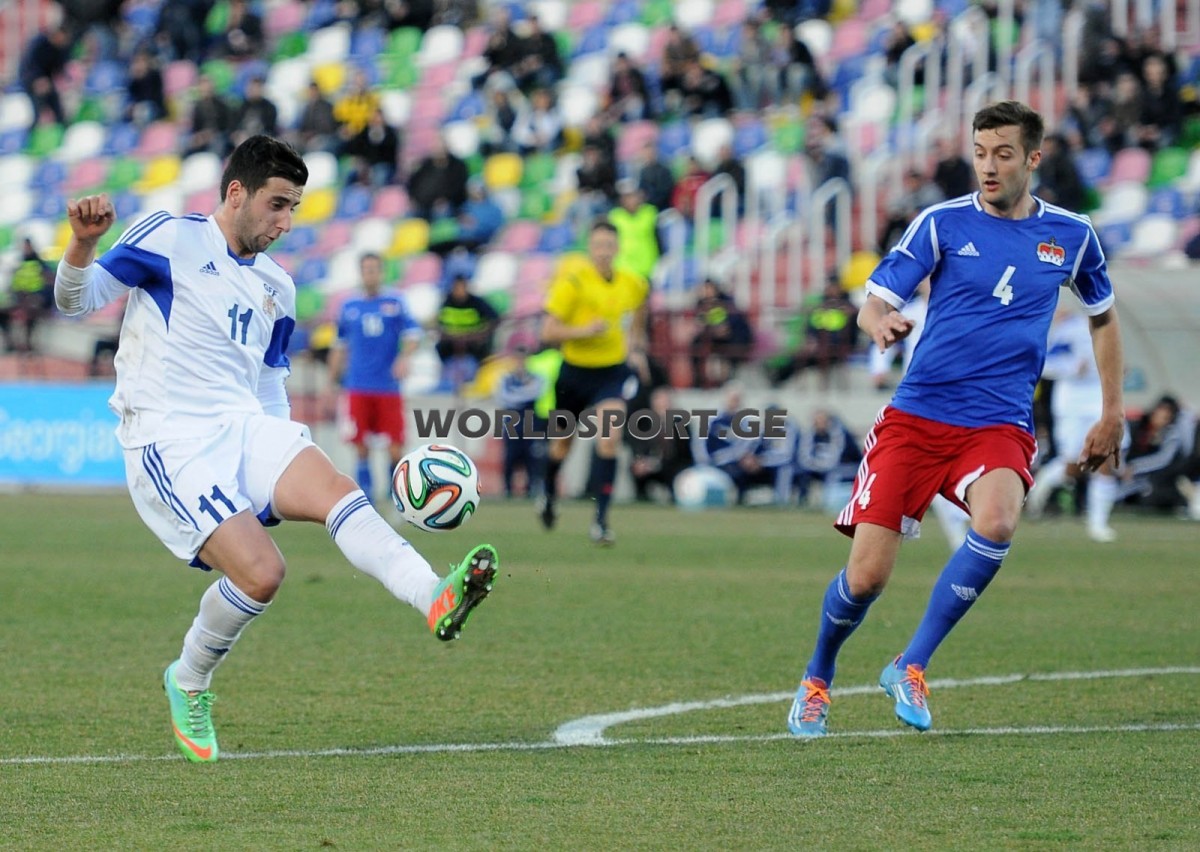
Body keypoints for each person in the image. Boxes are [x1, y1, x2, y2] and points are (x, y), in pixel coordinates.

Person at [54, 136, 498, 764]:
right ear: (236, 193)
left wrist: (279, 458)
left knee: (341, 490)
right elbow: (74, 300)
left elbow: (268, 382)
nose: (286, 222)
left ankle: (434, 596)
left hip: (245, 424)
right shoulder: (169, 239)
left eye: (294, 208)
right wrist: (82, 243)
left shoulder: (277, 288)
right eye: (278, 204)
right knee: (263, 574)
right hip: (169, 437)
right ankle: (188, 679)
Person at [785, 101, 1124, 739]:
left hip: (997, 421)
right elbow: (876, 299)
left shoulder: (1073, 236)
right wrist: (878, 321)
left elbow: (1104, 318)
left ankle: (910, 663)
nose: (988, 167)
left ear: (1032, 158)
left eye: (1002, 154)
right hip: (917, 418)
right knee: (865, 579)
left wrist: (1112, 412)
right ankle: (816, 678)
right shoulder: (940, 224)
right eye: (979, 153)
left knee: (997, 522)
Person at [538, 220, 649, 545]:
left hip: (611, 372)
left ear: (616, 249)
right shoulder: (572, 282)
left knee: (609, 438)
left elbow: (640, 306)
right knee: (562, 445)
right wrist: (582, 331)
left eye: (609, 246)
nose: (603, 252)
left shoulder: (631, 282)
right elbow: (547, 331)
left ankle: (600, 521)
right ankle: (547, 494)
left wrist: (636, 346)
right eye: (598, 245)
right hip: (574, 372)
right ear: (590, 247)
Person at [328, 252, 422, 503]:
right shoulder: (349, 307)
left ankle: (397, 495)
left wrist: (404, 358)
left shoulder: (395, 302)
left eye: (374, 269)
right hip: (358, 385)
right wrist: (333, 377)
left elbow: (414, 335)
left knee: (394, 444)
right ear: (361, 273)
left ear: (381, 272)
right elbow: (340, 344)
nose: (370, 273)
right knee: (360, 444)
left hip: (388, 386)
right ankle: (366, 494)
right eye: (366, 269)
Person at [1025, 299, 1122, 542]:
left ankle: (1098, 524)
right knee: (1074, 462)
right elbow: (1044, 364)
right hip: (1071, 402)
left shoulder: (1106, 323)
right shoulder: (1067, 330)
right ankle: (1042, 484)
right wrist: (1071, 369)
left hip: (1097, 397)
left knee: (1106, 456)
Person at [435, 273, 499, 379]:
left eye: (461, 287)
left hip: (473, 339)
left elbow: (494, 318)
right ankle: (447, 375)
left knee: (484, 349)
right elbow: (440, 322)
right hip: (453, 339)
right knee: (439, 347)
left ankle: (480, 376)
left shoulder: (477, 302)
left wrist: (482, 332)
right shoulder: (447, 302)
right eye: (456, 287)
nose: (459, 291)